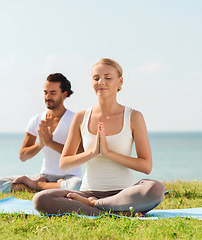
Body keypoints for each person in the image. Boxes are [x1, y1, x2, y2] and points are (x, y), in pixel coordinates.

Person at [33, 58, 165, 216]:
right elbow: (64, 164)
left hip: (124, 194)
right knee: (40, 200)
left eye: (108, 78)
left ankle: (96, 206)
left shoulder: (134, 117)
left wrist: (109, 153)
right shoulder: (81, 117)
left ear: (120, 82)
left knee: (156, 188)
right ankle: (116, 212)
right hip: (87, 192)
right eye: (96, 78)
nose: (101, 82)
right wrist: (92, 152)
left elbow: (146, 166)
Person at [0, 73, 82, 193]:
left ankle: (36, 186)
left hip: (68, 178)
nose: (48, 97)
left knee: (77, 186)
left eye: (53, 93)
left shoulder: (75, 120)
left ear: (64, 94)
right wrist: (41, 144)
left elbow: (81, 152)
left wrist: (50, 143)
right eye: (45, 92)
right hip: (44, 175)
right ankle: (43, 186)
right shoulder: (36, 120)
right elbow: (23, 156)